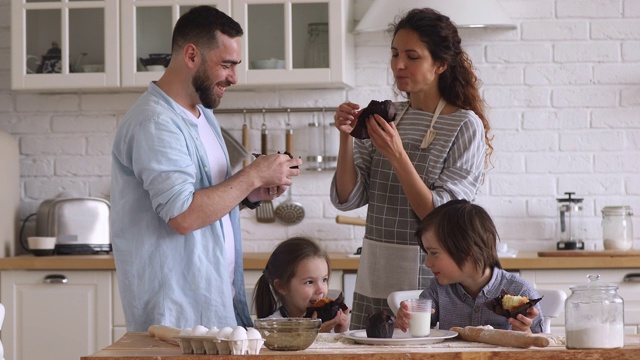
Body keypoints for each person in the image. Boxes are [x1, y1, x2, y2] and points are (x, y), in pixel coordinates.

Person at [110, 6, 302, 332]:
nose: (234, 77)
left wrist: (251, 193)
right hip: (175, 319)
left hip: (214, 303)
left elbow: (208, 199)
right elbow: (184, 215)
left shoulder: (202, 114)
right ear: (191, 55)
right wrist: (252, 174)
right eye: (226, 65)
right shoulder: (156, 123)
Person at [330, 7, 493, 329]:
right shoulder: (387, 117)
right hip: (376, 262)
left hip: (429, 269)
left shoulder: (464, 124)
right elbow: (348, 198)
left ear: (441, 64)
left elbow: (439, 216)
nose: (398, 65)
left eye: (412, 56)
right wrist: (346, 138)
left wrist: (397, 155)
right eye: (394, 54)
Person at [395, 199, 543, 333]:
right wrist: (404, 321)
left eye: (434, 253)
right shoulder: (437, 292)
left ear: (467, 251)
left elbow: (541, 349)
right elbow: (413, 333)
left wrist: (525, 332)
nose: (427, 263)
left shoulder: (521, 291)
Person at [253, 237, 350, 333]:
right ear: (281, 286)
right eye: (309, 282)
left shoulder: (328, 323)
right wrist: (315, 336)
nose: (320, 289)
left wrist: (340, 333)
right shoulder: (271, 330)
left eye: (324, 280)